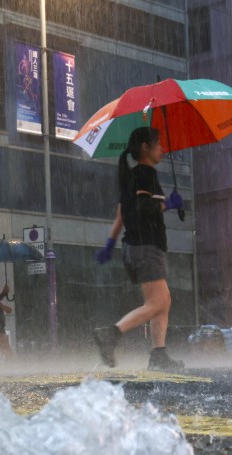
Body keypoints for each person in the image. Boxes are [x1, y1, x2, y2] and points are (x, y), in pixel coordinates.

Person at [92, 126, 185, 371]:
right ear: (146, 147)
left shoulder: (132, 176)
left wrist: (110, 243)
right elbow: (145, 207)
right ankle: (110, 335)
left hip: (136, 247)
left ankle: (158, 354)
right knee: (158, 303)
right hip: (146, 246)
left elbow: (122, 214)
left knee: (162, 302)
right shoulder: (145, 174)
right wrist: (169, 204)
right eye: (159, 144)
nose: (163, 149)